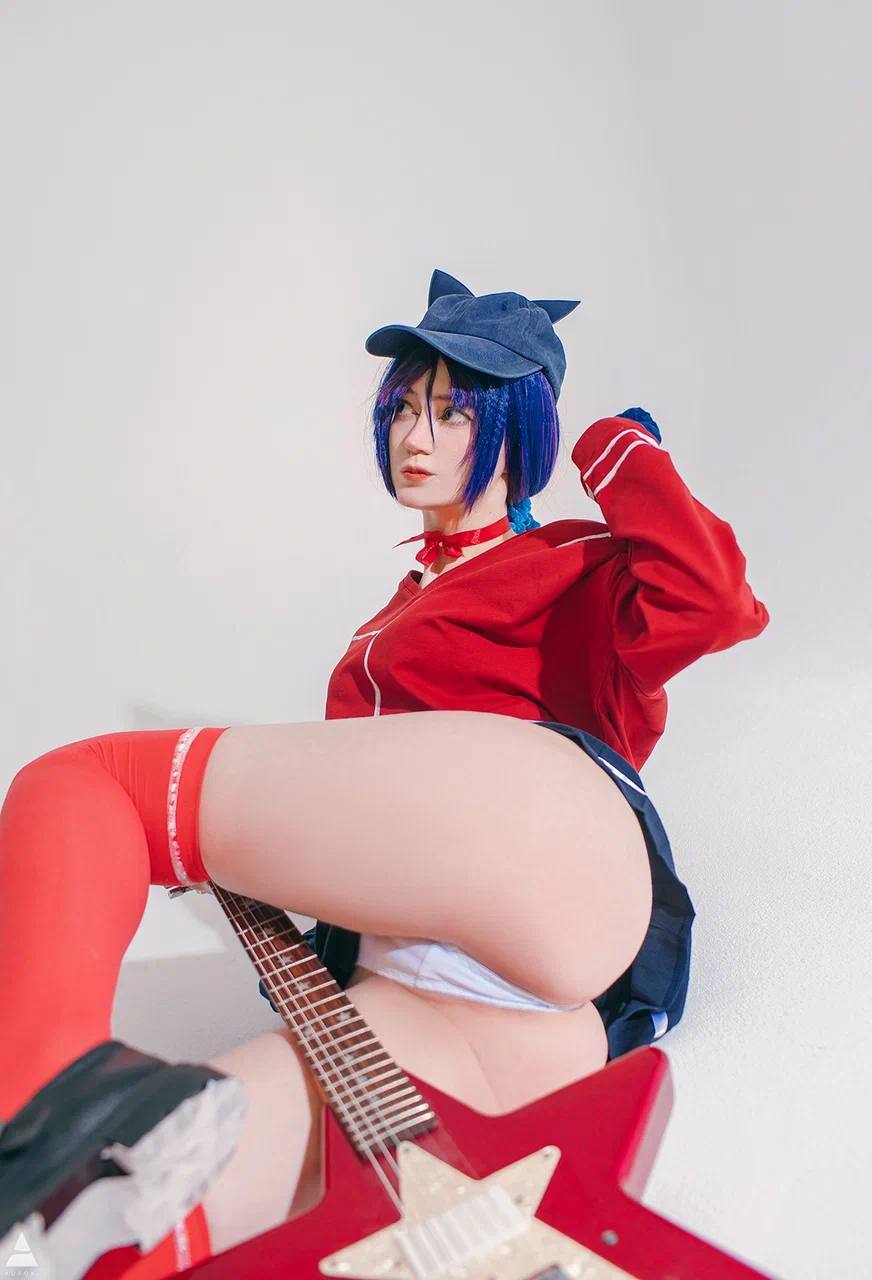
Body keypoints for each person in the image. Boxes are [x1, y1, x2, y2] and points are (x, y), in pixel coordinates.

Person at [0, 268, 770, 1279]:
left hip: (542, 850)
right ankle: (55, 1183)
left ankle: (29, 1109)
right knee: (124, 1212)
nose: (416, 434)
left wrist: (614, 446)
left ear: (520, 430)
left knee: (85, 785)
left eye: (456, 412)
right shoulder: (399, 604)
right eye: (404, 407)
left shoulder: (569, 564)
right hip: (478, 1012)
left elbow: (711, 602)